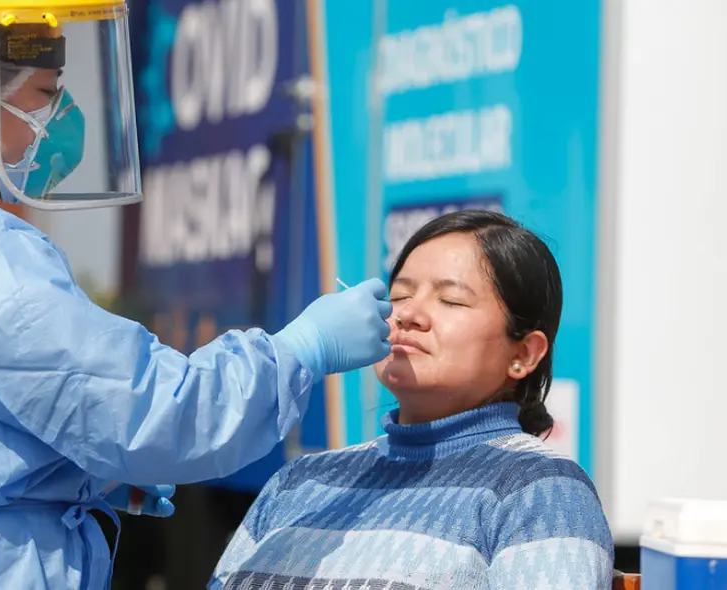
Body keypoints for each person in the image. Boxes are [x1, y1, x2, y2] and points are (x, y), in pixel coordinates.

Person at [0, 1, 393, 588]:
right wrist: (303, 350)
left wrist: (74, 471)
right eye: (42, 92)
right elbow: (157, 413)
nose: (61, 113)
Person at [211, 210, 615, 589]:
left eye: (451, 300)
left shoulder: (539, 492)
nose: (408, 315)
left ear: (524, 354)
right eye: (400, 295)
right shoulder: (298, 481)